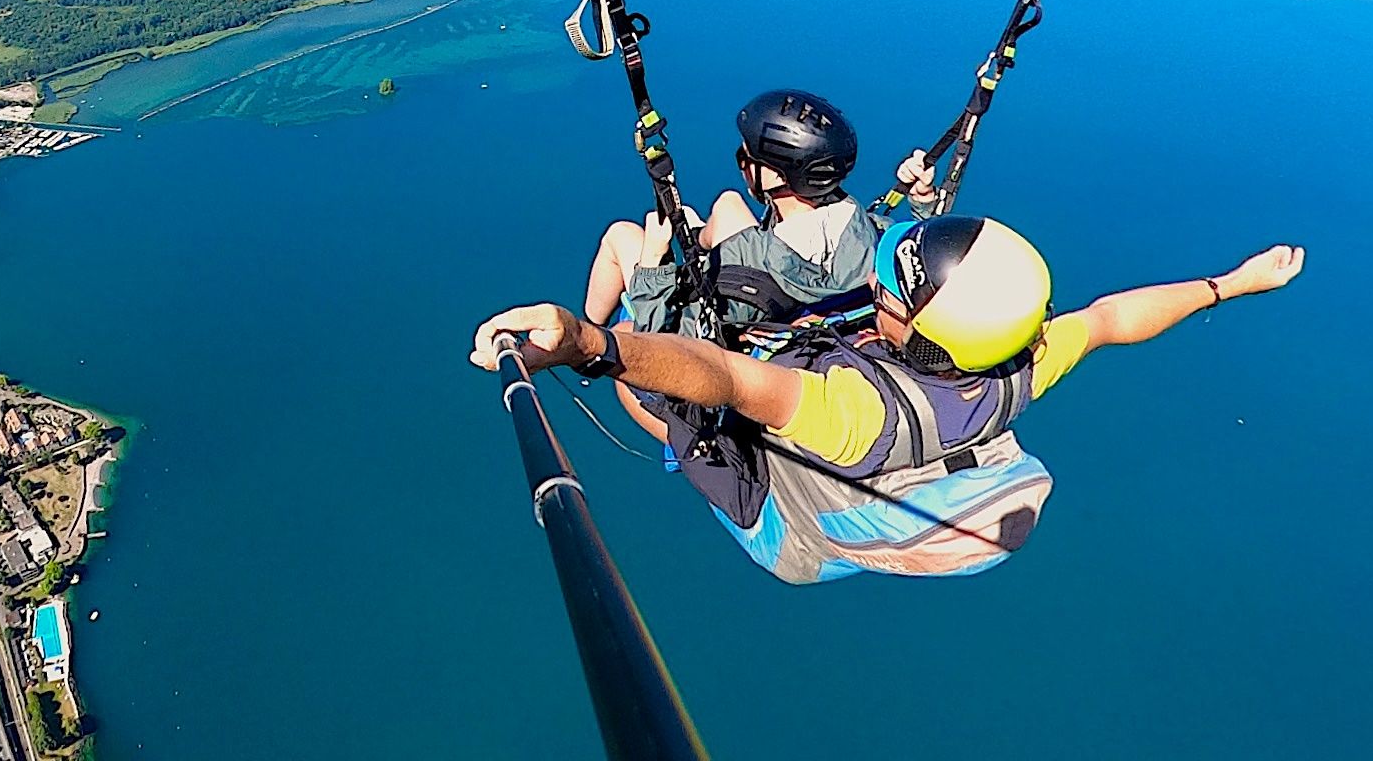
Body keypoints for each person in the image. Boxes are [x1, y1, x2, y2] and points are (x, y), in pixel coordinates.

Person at [475, 217, 1304, 583]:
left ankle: (671, 434)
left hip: (787, 529)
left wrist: (593, 346)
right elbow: (1114, 318)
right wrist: (1229, 284)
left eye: (890, 298)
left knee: (653, 410)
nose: (877, 291)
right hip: (913, 454)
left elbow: (723, 379)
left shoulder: (854, 411)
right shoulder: (1024, 361)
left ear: (925, 337)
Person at [582, 89, 939, 333]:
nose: (741, 162)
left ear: (778, 176)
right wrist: (922, 196)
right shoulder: (869, 233)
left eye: (746, 157)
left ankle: (588, 333)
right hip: (811, 293)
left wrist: (653, 258)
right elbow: (925, 261)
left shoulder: (749, 270)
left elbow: (665, 345)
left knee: (621, 235)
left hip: (741, 328)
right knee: (728, 204)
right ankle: (699, 235)